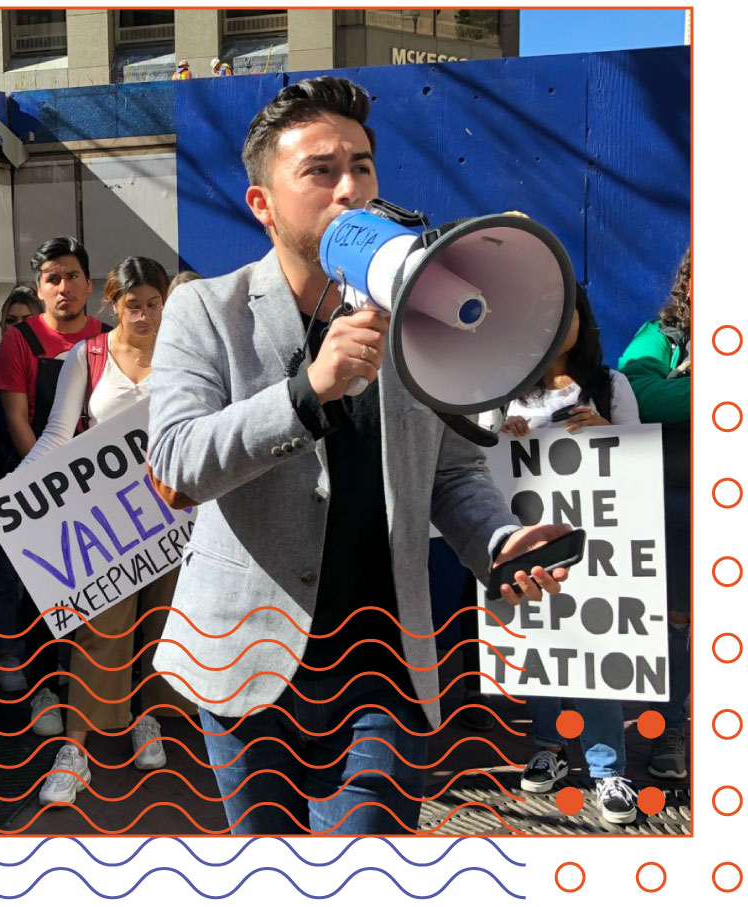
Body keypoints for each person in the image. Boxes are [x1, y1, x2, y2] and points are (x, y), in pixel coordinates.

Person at [146, 76, 573, 835]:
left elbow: (451, 476)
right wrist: (309, 391)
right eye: (320, 170)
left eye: (363, 165)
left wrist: (502, 541)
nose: (350, 188)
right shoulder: (205, 311)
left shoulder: (416, 309)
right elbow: (177, 460)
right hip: (246, 662)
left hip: (382, 666)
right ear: (263, 204)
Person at [11, 257, 195, 807]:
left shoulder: (188, 356)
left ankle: (147, 719)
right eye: (132, 304)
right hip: (106, 522)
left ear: (167, 303)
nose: (143, 314)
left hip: (177, 514)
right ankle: (76, 749)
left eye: (153, 303)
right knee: (98, 633)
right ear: (112, 306)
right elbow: (55, 437)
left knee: (161, 627)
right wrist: (9, 493)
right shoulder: (84, 358)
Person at [494, 285, 642, 825]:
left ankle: (607, 769)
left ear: (583, 318)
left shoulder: (610, 385)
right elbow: (487, 466)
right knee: (543, 653)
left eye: (565, 312)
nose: (554, 324)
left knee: (595, 655)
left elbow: (640, 462)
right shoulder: (512, 393)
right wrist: (506, 435)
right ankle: (549, 748)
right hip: (537, 550)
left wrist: (611, 435)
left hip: (600, 551)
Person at [0, 236, 108, 737]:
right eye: (52, 278)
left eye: (73, 276)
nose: (64, 287)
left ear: (89, 283)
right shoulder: (22, 341)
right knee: (42, 592)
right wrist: (47, 484)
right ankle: (44, 690)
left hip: (104, 486)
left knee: (103, 597)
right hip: (45, 486)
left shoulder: (109, 335)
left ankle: (99, 696)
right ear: (40, 288)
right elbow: (18, 417)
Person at [618, 246, 691, 781]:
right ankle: (669, 730)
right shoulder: (662, 337)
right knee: (674, 624)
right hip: (678, 502)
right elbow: (638, 393)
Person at [0, 286, 43, 692]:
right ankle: (8, 653)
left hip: (54, 483)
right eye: (10, 322)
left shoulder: (61, 366)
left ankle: (52, 656)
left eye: (25, 321)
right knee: (3, 574)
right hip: (4, 484)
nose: (17, 329)